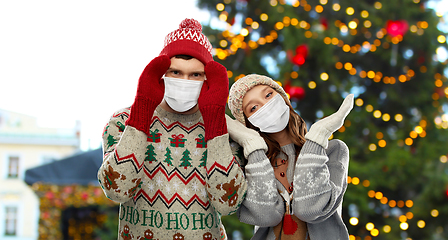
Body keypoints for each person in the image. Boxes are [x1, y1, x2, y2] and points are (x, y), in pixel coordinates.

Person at [97, 19, 248, 240]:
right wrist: (142, 111)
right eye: (175, 72)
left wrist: (215, 123)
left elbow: (228, 203)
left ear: (207, 78)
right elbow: (116, 189)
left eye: (195, 75)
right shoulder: (122, 121)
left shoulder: (228, 130)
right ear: (161, 74)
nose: (185, 81)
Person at [226, 74, 353, 240]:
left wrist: (319, 134)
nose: (266, 106)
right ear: (247, 123)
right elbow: (266, 215)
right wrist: (252, 145)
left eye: (268, 95)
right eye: (253, 108)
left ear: (282, 98)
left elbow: (310, 209)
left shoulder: (333, 151)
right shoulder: (249, 164)